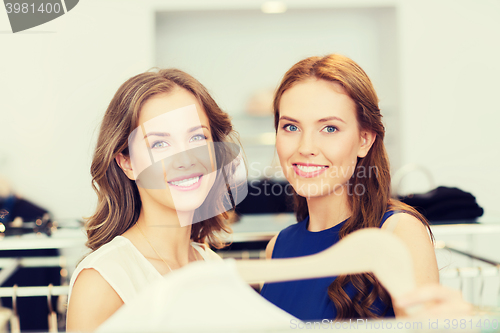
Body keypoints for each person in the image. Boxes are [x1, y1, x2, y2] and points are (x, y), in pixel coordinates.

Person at [260, 54, 440, 321]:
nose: (305, 148)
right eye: (291, 126)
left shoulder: (399, 233)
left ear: (364, 140)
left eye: (330, 128)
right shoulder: (276, 248)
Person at [66, 68, 242, 332]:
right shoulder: (103, 280)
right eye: (160, 144)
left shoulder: (211, 265)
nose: (185, 160)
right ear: (127, 163)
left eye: (197, 138)